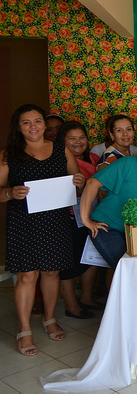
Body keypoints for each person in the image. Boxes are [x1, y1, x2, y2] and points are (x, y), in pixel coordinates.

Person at [1, 104, 86, 355]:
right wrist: (9, 192)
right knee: (28, 275)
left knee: (51, 272)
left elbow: (76, 179)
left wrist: (79, 181)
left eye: (37, 121)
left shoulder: (61, 149)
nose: (33, 126)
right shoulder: (10, 154)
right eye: (26, 122)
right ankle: (24, 329)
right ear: (18, 127)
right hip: (23, 221)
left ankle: (49, 318)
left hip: (55, 219)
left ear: (44, 124)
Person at [80, 133, 137, 276]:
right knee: (127, 268)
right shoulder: (129, 163)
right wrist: (86, 220)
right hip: (108, 227)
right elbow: (92, 183)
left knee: (136, 268)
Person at [57, 121, 104, 319]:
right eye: (72, 138)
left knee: (91, 256)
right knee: (67, 260)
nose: (78, 142)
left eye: (81, 137)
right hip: (67, 217)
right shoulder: (56, 161)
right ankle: (72, 306)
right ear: (62, 142)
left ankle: (86, 297)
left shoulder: (94, 158)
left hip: (93, 215)